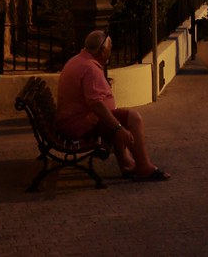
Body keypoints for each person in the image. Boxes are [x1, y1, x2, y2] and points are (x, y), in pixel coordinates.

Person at [55, 31, 170, 182]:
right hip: (79, 126)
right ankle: (144, 167)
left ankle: (127, 164)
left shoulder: (79, 60)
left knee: (116, 117)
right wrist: (118, 128)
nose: (111, 50)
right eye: (110, 47)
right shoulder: (89, 68)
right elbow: (95, 104)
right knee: (133, 118)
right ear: (103, 50)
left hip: (73, 121)